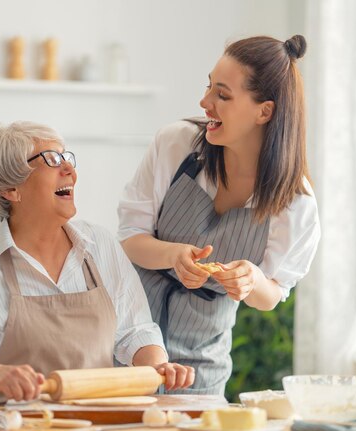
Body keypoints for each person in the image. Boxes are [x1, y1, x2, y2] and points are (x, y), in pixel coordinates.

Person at [117, 35, 321, 395]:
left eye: (222, 95)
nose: (204, 102)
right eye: (209, 86)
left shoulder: (295, 202)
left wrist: (250, 280)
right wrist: (172, 255)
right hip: (126, 347)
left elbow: (272, 292)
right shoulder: (176, 145)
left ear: (265, 111)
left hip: (202, 368)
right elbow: (130, 238)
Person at [0, 121, 194, 402]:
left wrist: (157, 366)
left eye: (66, 157)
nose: (69, 169)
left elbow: (135, 331)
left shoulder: (99, 244)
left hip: (99, 422)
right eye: (51, 160)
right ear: (10, 189)